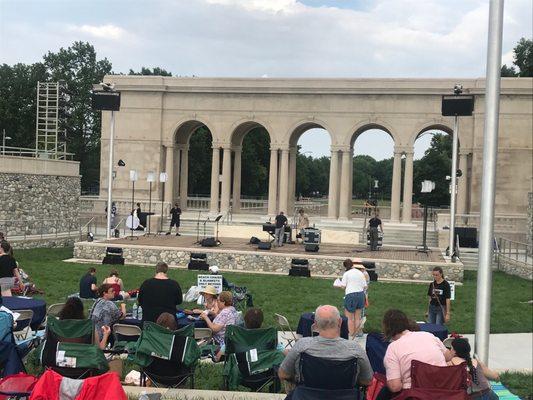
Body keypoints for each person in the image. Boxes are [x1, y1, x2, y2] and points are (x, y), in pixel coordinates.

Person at [278, 305, 372, 389]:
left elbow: (283, 374)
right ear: (340, 322)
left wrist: (297, 379)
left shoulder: (302, 345)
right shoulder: (355, 349)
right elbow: (367, 381)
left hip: (307, 395)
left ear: (315, 324)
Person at [377, 309, 452, 400]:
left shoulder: (393, 348)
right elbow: (449, 356)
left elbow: (395, 387)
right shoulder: (429, 336)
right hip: (442, 392)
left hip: (415, 395)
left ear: (386, 328)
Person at [337, 259, 367, 338]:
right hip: (361, 295)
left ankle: (351, 335)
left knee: (349, 318)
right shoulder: (360, 273)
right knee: (358, 317)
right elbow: (365, 286)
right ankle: (356, 335)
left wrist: (337, 285)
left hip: (350, 295)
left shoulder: (346, 274)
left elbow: (343, 286)